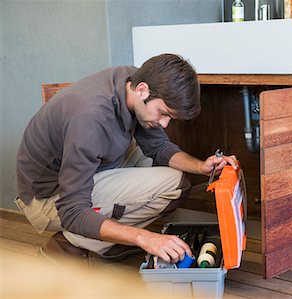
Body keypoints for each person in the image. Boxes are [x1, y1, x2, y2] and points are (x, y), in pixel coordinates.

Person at [15, 53, 238, 265]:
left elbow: (158, 146)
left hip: (88, 171)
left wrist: (201, 166)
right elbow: (72, 211)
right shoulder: (91, 120)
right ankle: (68, 245)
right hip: (48, 199)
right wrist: (145, 238)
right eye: (163, 113)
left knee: (154, 157)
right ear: (142, 90)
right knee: (174, 185)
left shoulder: (134, 80)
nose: (164, 124)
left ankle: (109, 238)